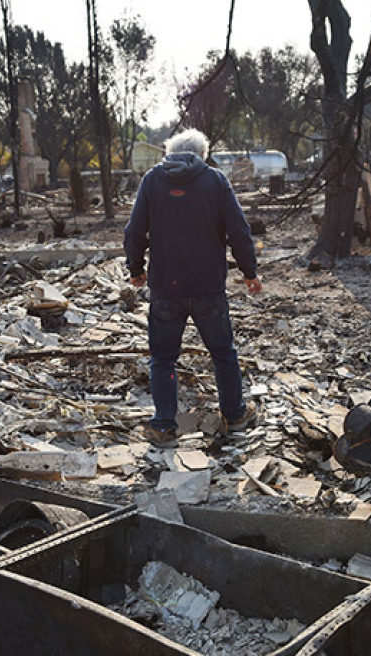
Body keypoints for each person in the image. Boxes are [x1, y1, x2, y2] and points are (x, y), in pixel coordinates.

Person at [124, 128, 262, 445]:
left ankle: (163, 425)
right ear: (202, 155)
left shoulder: (152, 181)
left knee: (163, 359)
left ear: (168, 153)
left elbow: (134, 232)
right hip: (208, 287)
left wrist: (135, 268)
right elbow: (239, 230)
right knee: (223, 353)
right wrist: (249, 272)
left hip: (165, 288)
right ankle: (235, 415)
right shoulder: (214, 181)